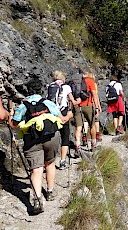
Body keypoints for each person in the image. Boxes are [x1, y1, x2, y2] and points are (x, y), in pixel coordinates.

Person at [8, 78, 73, 214]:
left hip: (32, 140)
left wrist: (11, 114)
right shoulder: (47, 103)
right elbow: (62, 119)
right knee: (49, 163)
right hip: (51, 138)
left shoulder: (23, 106)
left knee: (36, 170)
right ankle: (49, 192)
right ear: (40, 90)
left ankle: (37, 199)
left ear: (28, 91)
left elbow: (13, 125)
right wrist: (70, 115)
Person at [47, 70, 81, 170]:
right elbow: (73, 101)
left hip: (52, 114)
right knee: (65, 137)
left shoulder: (50, 86)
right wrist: (78, 101)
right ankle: (62, 161)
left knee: (52, 136)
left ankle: (49, 162)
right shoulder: (66, 87)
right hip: (64, 113)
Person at [74, 70, 101, 154]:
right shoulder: (90, 81)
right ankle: (93, 145)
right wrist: (97, 107)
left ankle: (78, 147)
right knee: (92, 125)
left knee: (78, 127)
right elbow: (94, 94)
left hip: (77, 106)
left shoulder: (75, 82)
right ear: (86, 74)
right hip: (88, 105)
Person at [88, 72, 102, 142]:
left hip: (85, 104)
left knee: (85, 121)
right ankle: (97, 134)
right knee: (96, 120)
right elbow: (95, 95)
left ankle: (84, 135)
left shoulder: (84, 83)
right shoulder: (94, 84)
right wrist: (98, 106)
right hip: (93, 103)